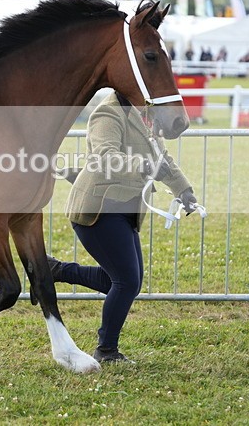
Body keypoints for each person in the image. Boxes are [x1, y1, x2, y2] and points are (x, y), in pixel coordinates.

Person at [48, 91, 197, 364]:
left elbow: (162, 158)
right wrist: (146, 166)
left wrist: (184, 189)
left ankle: (55, 270)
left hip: (124, 210)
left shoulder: (144, 114)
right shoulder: (108, 113)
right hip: (98, 209)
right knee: (126, 281)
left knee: (126, 281)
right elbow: (105, 158)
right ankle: (106, 350)